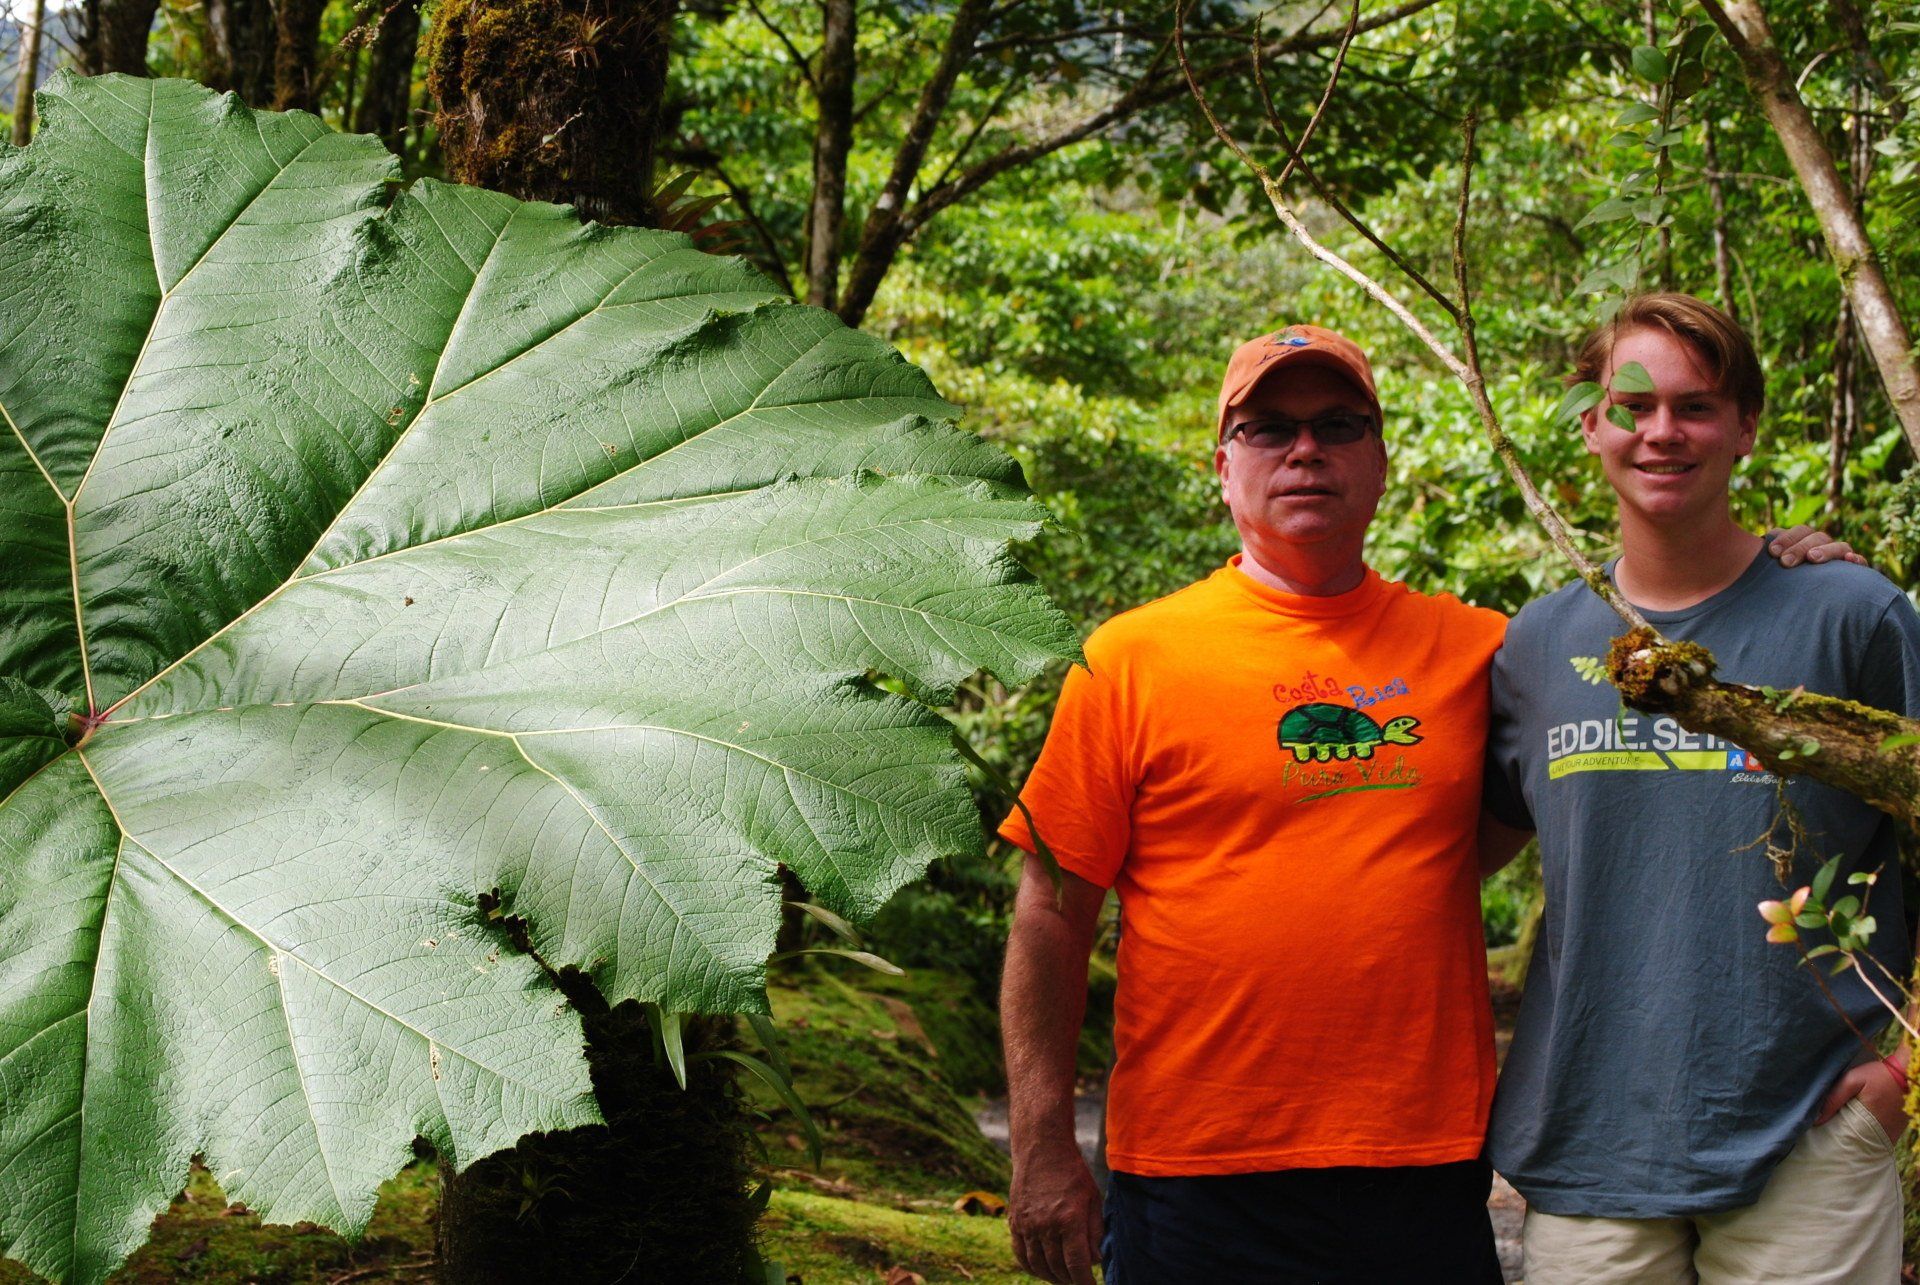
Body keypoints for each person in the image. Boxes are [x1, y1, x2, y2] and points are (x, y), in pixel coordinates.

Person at [995, 323, 1850, 1284]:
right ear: (1223, 463)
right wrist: (1040, 1146)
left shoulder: (1491, 652)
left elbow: (1646, 703)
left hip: (1421, 1164)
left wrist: (1785, 575)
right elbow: (1049, 914)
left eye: (1338, 424)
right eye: (1270, 427)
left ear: (1381, 460)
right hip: (1195, 1167)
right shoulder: (1131, 659)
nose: (1306, 449)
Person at [1480, 292, 1920, 1284]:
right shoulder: (1538, 643)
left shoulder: (1852, 615)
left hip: (1813, 1128)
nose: (1661, 430)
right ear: (1592, 425)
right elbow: (1446, 847)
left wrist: (1908, 1071)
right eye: (1631, 405)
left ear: (1745, 428)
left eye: (1697, 405)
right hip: (1592, 1137)